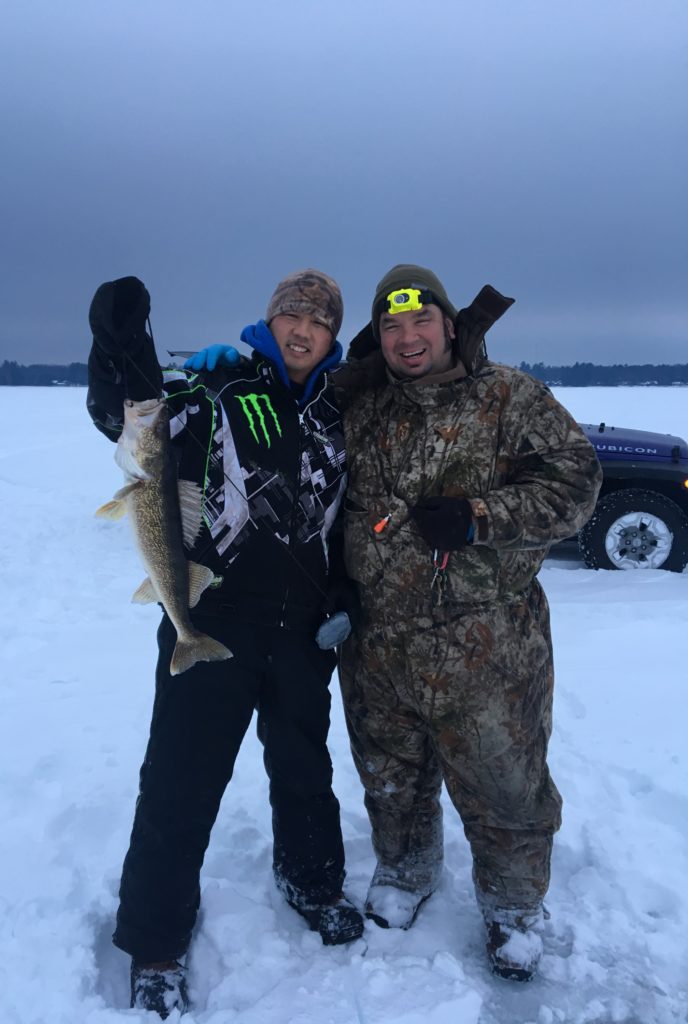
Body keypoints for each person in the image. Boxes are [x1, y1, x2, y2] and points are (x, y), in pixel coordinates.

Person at [87, 270, 363, 1019]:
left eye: (318, 320)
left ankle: (311, 880)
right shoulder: (219, 387)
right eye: (290, 315)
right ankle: (156, 941)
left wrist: (342, 589)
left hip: (305, 623)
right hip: (215, 612)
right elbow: (133, 422)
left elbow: (349, 509)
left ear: (334, 335)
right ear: (268, 322)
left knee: (306, 766)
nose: (302, 328)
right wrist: (122, 347)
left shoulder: (345, 405)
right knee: (181, 778)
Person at [333, 264, 602, 981]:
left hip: (487, 646)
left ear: (449, 325)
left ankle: (514, 908)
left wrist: (482, 518)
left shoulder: (510, 396)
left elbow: (578, 484)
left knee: (505, 783)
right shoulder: (361, 409)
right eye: (391, 326)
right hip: (377, 642)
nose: (407, 337)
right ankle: (406, 868)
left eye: (421, 321)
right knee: (391, 775)